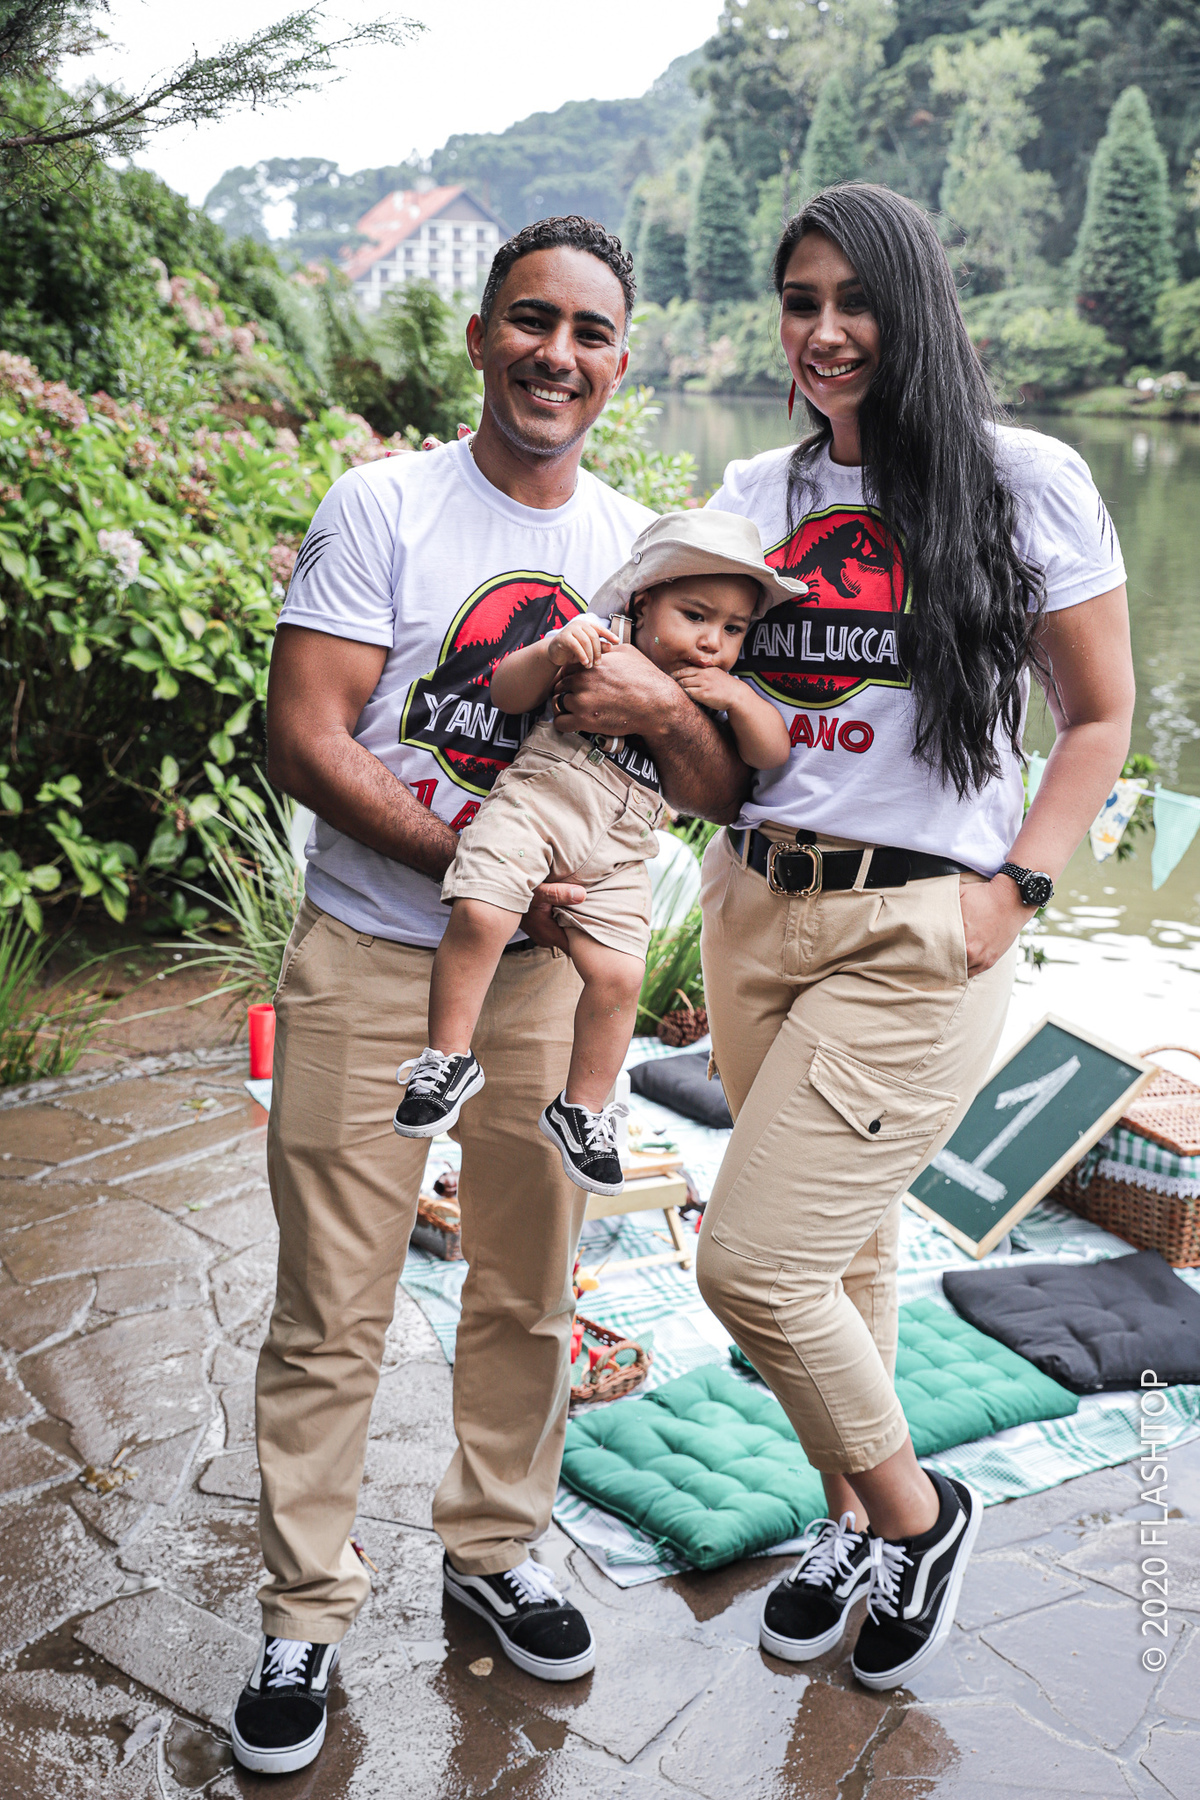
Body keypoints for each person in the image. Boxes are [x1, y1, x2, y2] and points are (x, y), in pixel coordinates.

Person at [231, 216, 748, 1776]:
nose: (558, 356)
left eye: (591, 333)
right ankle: (305, 1610)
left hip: (543, 989)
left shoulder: (651, 552)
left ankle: (492, 1545)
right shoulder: (382, 505)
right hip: (373, 952)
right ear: (479, 335)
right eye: (532, 321)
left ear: (623, 361)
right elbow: (305, 735)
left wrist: (667, 700)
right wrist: (476, 855)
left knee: (531, 1285)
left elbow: (716, 780)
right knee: (332, 1304)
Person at [693, 184, 1134, 1692]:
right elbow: (714, 728)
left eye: (852, 300)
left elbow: (1102, 715)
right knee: (841, 1247)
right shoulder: (755, 496)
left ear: (916, 308)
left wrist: (1018, 888)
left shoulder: (1023, 480)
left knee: (750, 1266)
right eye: (799, 301)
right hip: (755, 900)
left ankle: (919, 1510)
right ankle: (848, 1522)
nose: (824, 333)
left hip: (916, 923)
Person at [392, 510, 799, 1196]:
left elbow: (770, 755)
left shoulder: (715, 693)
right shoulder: (599, 641)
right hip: (539, 806)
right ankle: (448, 1056)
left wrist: (735, 697)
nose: (712, 642)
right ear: (644, 603)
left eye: (734, 630)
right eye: (695, 615)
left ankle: (581, 1107)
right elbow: (505, 692)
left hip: (622, 848)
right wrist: (554, 650)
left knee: (618, 978)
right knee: (483, 912)